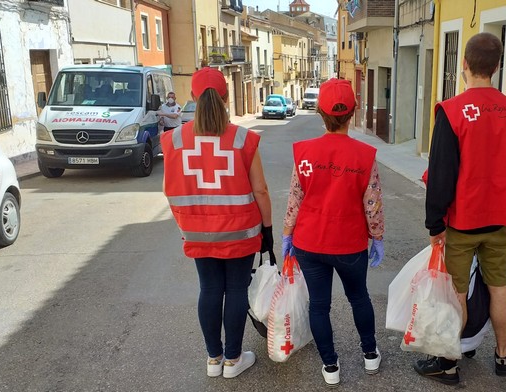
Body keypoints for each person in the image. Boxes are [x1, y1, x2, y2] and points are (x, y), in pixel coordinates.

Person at [414, 32, 506, 385]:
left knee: (457, 293)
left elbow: (441, 175)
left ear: (464, 64)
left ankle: (449, 362)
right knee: (499, 287)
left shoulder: (451, 112)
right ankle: (503, 355)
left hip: (463, 221)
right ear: (496, 67)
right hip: (501, 220)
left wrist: (435, 223)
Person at [162, 67, 273, 379]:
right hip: (241, 232)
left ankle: (214, 359)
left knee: (209, 288)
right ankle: (234, 359)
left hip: (197, 233)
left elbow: (169, 190)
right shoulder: (243, 138)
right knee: (236, 289)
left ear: (193, 98)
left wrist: (186, 224)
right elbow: (261, 190)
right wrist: (268, 230)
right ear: (225, 97)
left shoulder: (174, 140)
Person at [282, 78, 385, 387]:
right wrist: (377, 237)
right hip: (350, 244)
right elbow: (374, 204)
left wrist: (287, 234)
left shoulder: (305, 153)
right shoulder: (364, 156)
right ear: (352, 113)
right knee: (359, 297)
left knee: (319, 305)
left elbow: (294, 200)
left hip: (309, 243)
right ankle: (369, 355)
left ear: (320, 113)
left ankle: (330, 366)